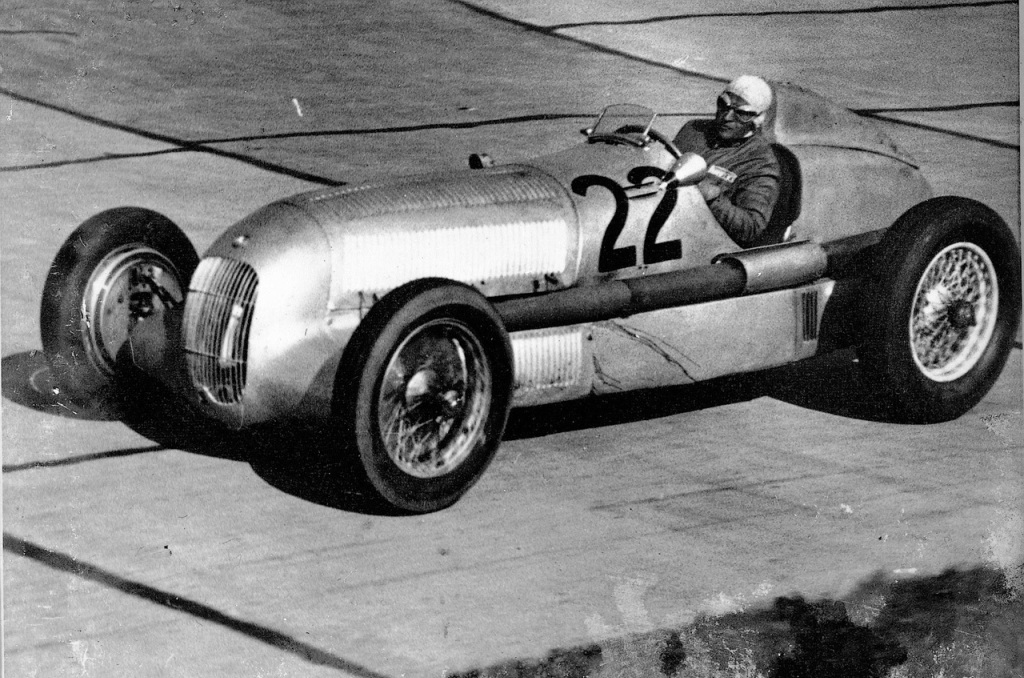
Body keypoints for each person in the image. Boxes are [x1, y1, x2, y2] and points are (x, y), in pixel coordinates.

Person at [673, 75, 781, 247]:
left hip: (698, 239)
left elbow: (751, 227)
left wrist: (712, 198)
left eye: (742, 113)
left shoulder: (761, 163)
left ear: (757, 120)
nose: (727, 117)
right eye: (723, 105)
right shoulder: (693, 130)